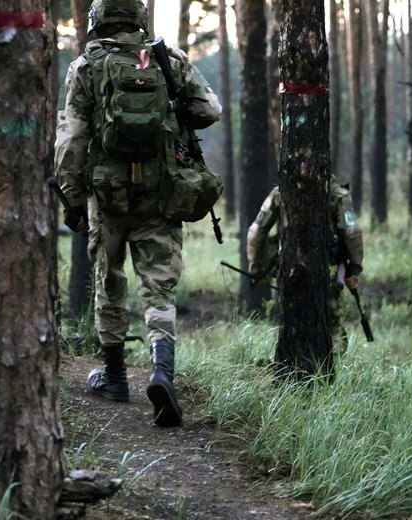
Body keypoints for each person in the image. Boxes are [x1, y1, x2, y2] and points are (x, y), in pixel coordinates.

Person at [55, 0, 221, 427]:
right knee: (158, 286)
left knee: (108, 278)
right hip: (160, 190)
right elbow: (210, 111)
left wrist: (72, 198)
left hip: (106, 194)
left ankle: (113, 376)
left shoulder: (85, 66)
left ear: (98, 20)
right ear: (138, 17)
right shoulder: (169, 59)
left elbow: (71, 138)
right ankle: (162, 371)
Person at [246, 179, 364, 354]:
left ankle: (291, 365)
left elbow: (256, 231)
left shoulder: (280, 192)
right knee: (331, 323)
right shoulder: (338, 195)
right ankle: (331, 367)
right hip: (327, 269)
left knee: (291, 318)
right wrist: (354, 269)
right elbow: (352, 232)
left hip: (288, 268)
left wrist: (256, 268)